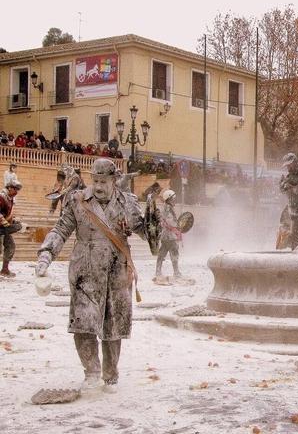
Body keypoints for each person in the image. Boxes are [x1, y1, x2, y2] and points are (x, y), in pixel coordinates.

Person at [36, 158, 146, 392]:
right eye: (95, 180)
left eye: (103, 181)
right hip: (85, 271)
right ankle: (92, 372)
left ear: (114, 181)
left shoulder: (128, 202)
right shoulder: (77, 201)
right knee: (83, 323)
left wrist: (157, 228)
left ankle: (110, 374)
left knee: (113, 325)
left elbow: (147, 234)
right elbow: (60, 230)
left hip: (117, 272)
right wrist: (46, 254)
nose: (98, 186)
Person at [155, 189, 183, 281]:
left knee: (162, 253)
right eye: (173, 198)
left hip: (165, 236)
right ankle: (176, 272)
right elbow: (169, 222)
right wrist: (177, 229)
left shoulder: (167, 207)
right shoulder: (168, 208)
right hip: (170, 236)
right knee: (174, 253)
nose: (174, 200)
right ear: (169, 199)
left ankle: (158, 271)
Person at [0, 179, 23, 277]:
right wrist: (2, 220)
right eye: (15, 189)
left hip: (4, 228)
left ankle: (5, 269)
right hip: (1, 226)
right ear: (9, 188)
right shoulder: (2, 197)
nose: (16, 192)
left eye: (18, 189)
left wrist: (12, 221)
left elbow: (8, 213)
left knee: (10, 246)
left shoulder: (10, 198)